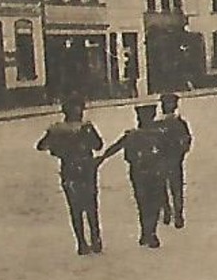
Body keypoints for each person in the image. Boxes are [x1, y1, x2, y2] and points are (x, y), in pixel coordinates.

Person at [35, 97, 104, 255]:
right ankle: (94, 238)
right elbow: (98, 145)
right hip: (85, 168)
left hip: (70, 169)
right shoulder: (86, 127)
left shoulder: (57, 129)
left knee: (76, 207)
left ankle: (82, 242)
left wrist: (58, 147)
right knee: (90, 205)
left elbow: (42, 146)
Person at [100, 104, 169, 248]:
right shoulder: (159, 134)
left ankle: (147, 232)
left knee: (143, 203)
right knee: (153, 203)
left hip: (139, 172)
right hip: (153, 172)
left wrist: (100, 159)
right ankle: (150, 232)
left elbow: (115, 148)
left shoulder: (134, 135)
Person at [155, 92, 193, 229]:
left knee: (171, 188)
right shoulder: (161, 124)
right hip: (168, 160)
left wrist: (180, 153)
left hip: (171, 160)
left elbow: (186, 141)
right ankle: (171, 212)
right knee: (170, 188)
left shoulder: (173, 124)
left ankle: (175, 213)